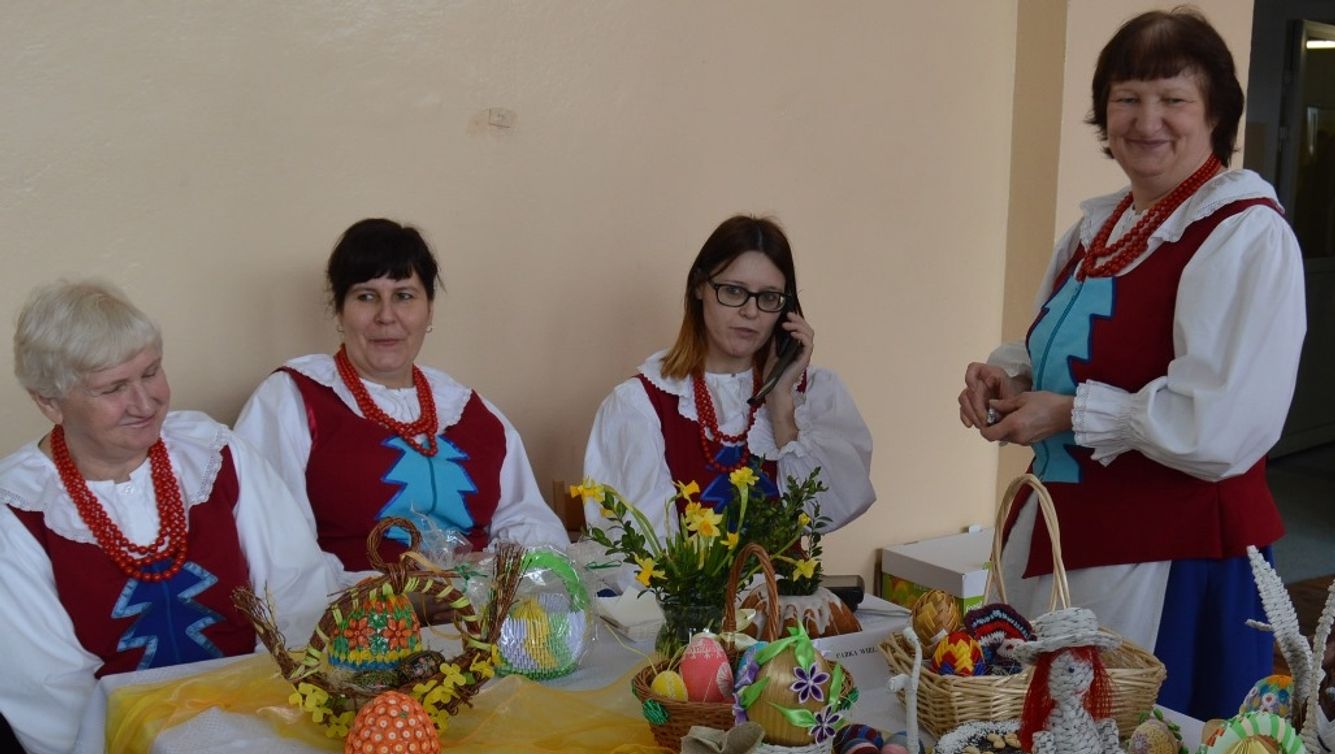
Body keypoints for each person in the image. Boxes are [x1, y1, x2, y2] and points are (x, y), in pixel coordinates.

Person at [957, 9, 1305, 720]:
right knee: (1039, 739)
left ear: (1215, 114)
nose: (1147, 120)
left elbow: (1219, 424)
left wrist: (1069, 412)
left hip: (1170, 560)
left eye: (1174, 98)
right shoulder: (1103, 225)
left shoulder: (1244, 234)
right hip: (1064, 538)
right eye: (1127, 97)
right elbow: (1060, 346)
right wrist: (1012, 379)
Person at [0, 280, 344, 754]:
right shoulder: (17, 509)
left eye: (151, 371)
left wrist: (288, 729)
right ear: (48, 401)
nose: (146, 400)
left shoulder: (212, 453)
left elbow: (297, 594)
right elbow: (48, 696)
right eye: (113, 387)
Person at [235, 218, 568, 571]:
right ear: (339, 311)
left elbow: (530, 522)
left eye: (404, 296)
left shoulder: (469, 410)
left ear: (429, 310)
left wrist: (496, 574)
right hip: (353, 605)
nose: (386, 316)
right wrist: (403, 591)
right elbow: (275, 549)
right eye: (366, 296)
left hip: (479, 602)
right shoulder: (291, 399)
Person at [584, 214, 874, 533]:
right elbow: (637, 548)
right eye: (734, 291)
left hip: (782, 572)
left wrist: (781, 403)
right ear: (699, 287)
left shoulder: (808, 393)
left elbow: (827, 513)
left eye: (768, 297)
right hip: (676, 571)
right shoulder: (642, 404)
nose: (750, 312)